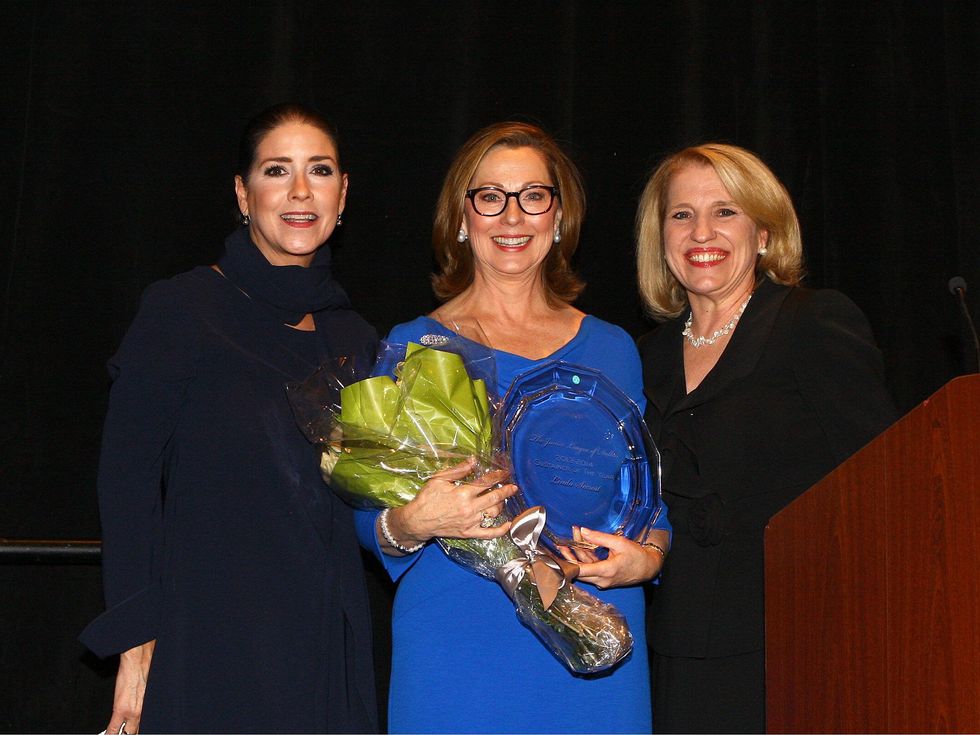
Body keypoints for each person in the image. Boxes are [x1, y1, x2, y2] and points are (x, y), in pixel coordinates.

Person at [354, 121, 672, 734]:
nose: (512, 216)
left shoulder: (612, 349)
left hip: (592, 633)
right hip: (457, 646)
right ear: (462, 218)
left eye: (533, 196)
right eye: (490, 196)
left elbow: (648, 502)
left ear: (559, 218)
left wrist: (648, 560)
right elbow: (369, 519)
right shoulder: (414, 345)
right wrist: (413, 521)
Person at [80, 103, 378, 734]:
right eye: (277, 170)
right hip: (209, 641)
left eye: (319, 170)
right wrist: (137, 645)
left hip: (325, 643)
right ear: (243, 194)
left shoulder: (356, 338)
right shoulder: (182, 310)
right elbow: (126, 485)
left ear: (343, 192)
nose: (300, 191)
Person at [635, 143, 898, 733]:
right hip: (671, 646)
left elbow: (883, 482)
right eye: (681, 214)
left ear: (764, 233)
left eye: (725, 211)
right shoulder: (642, 357)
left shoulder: (813, 323)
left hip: (798, 643)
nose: (702, 231)